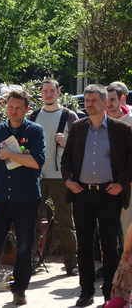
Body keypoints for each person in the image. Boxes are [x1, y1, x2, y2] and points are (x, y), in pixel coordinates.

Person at [61, 84, 132, 307]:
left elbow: (131, 161)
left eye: (94, 100)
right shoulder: (78, 127)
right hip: (82, 194)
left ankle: (109, 292)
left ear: (105, 102)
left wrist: (121, 184)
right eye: (87, 101)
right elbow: (67, 159)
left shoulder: (120, 129)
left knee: (110, 246)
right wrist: (68, 180)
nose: (89, 104)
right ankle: (86, 290)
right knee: (84, 244)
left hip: (109, 194)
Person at [0, 89, 46, 305]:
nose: (13, 111)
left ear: (26, 109)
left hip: (26, 199)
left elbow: (37, 161)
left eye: (18, 107)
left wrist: (10, 154)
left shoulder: (35, 131)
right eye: (10, 107)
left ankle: (19, 290)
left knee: (25, 247)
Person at [28, 78, 79, 276]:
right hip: (37, 176)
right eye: (45, 91)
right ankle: (30, 259)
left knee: (65, 220)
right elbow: (25, 144)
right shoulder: (33, 116)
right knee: (33, 220)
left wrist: (68, 143)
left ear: (59, 92)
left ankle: (71, 262)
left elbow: (80, 147)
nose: (48, 94)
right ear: (41, 93)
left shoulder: (69, 115)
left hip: (61, 177)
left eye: (52, 91)